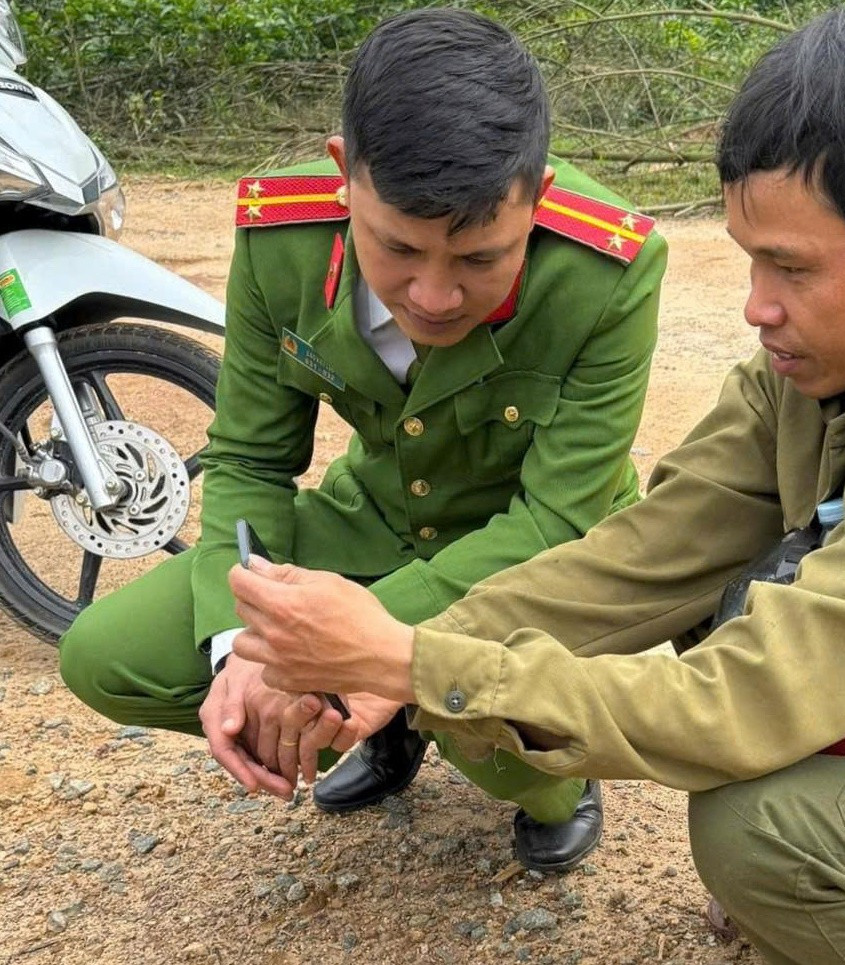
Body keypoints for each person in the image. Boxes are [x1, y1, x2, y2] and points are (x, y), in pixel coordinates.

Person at [228, 5, 845, 962]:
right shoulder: (822, 369)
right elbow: (637, 559)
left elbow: (741, 703)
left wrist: (415, 664)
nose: (755, 307)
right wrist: (391, 665)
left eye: (791, 269)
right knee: (727, 599)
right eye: (751, 260)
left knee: (757, 823)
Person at [58, 7, 667, 874]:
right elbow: (250, 461)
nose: (434, 295)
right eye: (398, 248)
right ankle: (383, 728)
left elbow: (557, 522)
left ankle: (538, 775)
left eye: (481, 260)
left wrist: (362, 648)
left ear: (538, 196)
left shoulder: (610, 272)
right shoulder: (283, 241)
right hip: (372, 521)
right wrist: (247, 643)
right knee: (107, 656)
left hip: (529, 562)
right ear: (346, 176)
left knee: (496, 728)